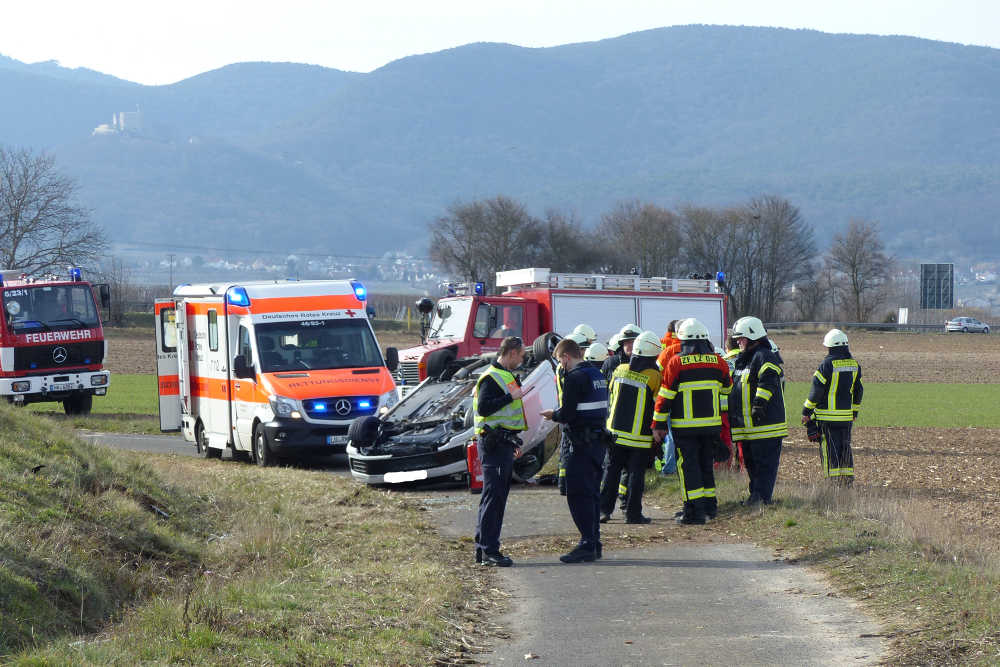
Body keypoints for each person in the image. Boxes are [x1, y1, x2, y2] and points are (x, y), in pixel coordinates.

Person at [653, 319, 732, 524]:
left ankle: (693, 513)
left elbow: (665, 397)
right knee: (706, 465)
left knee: (689, 469)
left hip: (685, 428)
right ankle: (709, 508)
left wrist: (658, 425)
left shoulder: (676, 363)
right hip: (712, 427)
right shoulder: (719, 362)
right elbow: (726, 391)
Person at [541, 338, 609, 563]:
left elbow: (568, 413)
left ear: (566, 357)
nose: (561, 365)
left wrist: (554, 415)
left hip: (581, 443)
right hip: (598, 442)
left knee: (577, 494)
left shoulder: (574, 378)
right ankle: (594, 542)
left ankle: (587, 543)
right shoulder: (597, 375)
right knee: (591, 493)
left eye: (560, 361)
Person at [599, 330, 662, 524]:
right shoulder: (654, 375)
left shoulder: (619, 370)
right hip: (640, 437)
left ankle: (603, 511)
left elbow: (611, 394)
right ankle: (632, 514)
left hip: (615, 433)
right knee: (636, 476)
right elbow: (658, 404)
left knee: (611, 472)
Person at [473, 336, 526, 567]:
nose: (522, 359)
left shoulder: (505, 376)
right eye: (521, 355)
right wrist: (509, 397)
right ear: (512, 353)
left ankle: (484, 548)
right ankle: (488, 551)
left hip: (503, 443)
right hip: (493, 444)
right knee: (493, 498)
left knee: (495, 498)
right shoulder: (492, 377)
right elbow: (484, 408)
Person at [728, 316, 787, 506]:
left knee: (764, 466)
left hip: (765, 426)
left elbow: (768, 380)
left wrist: (759, 404)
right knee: (752, 465)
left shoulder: (764, 356)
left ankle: (762, 499)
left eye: (741, 338)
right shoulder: (743, 360)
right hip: (748, 428)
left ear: (753, 336)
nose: (738, 342)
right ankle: (755, 496)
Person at [801, 329, 863, 486]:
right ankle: (847, 480)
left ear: (829, 346)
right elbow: (859, 390)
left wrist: (806, 411)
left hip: (826, 418)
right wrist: (854, 411)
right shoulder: (854, 364)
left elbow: (816, 391)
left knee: (829, 450)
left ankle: (832, 482)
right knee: (845, 448)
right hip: (846, 418)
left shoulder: (826, 364)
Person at [556, 330, 591, 496]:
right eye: (582, 348)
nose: (584, 352)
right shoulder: (565, 368)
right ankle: (564, 484)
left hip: (569, 411)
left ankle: (566, 483)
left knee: (568, 448)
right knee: (566, 447)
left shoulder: (567, 366)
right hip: (569, 412)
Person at [655, 319, 682, 475]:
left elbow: (657, 370)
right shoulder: (692, 348)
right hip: (688, 398)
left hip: (667, 396)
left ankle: (669, 469)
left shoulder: (662, 345)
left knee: (670, 435)